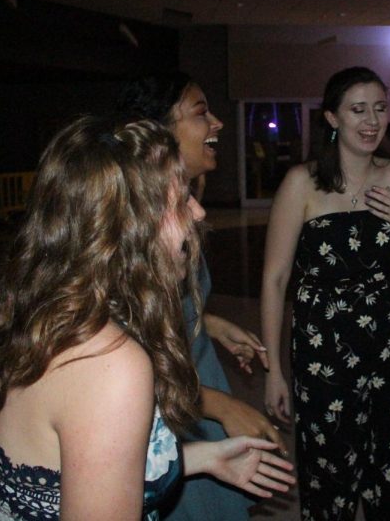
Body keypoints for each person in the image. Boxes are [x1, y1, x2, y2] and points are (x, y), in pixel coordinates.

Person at [0, 117, 294, 520]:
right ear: (127, 229)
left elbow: (77, 469)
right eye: (180, 201)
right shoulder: (111, 364)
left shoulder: (58, 315)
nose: (197, 213)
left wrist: (198, 459)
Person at [261, 66, 390, 520]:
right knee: (331, 471)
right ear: (331, 118)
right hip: (323, 348)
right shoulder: (301, 183)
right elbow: (275, 280)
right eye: (357, 109)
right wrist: (274, 370)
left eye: (380, 108)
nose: (371, 121)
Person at [117, 73, 286, 521]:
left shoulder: (183, 203)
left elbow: (165, 305)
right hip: (173, 403)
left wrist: (208, 323)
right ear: (156, 133)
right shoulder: (140, 225)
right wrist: (223, 405)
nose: (217, 123)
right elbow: (125, 346)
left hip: (194, 381)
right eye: (200, 112)